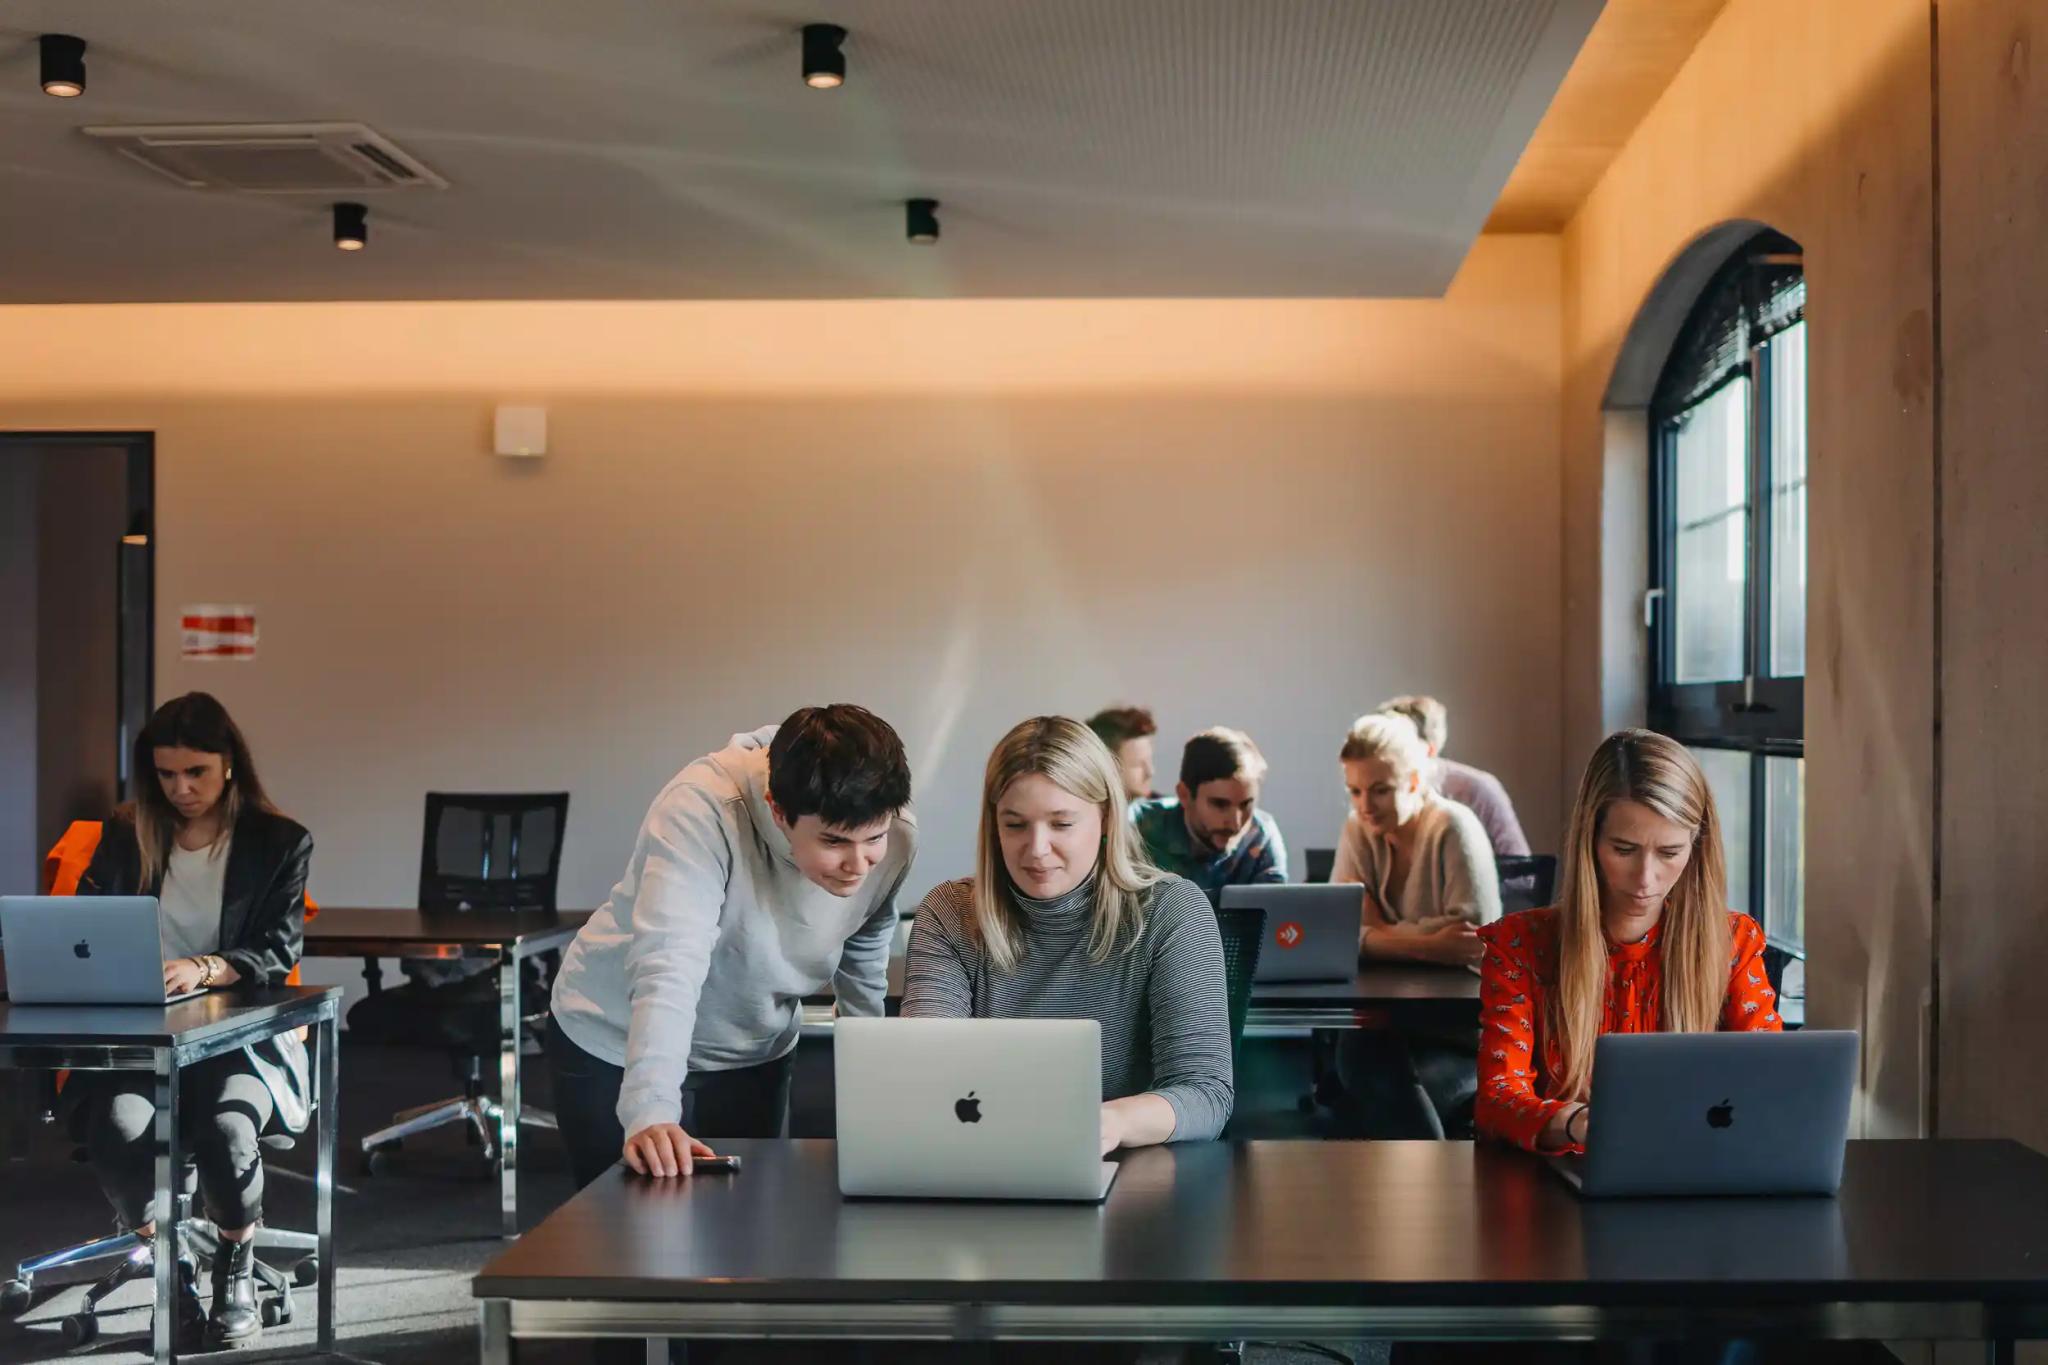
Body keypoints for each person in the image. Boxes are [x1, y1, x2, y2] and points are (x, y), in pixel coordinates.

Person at [546, 705, 916, 1189]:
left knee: (748, 1232)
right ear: (778, 810)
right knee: (627, 1238)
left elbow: (865, 945)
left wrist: (873, 1087)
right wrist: (651, 1108)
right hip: (615, 1038)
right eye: (833, 841)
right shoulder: (701, 808)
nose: (858, 863)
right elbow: (670, 963)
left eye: (874, 839)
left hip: (753, 1044)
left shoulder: (894, 827)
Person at [70, 692, 314, 1350]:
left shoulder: (278, 842)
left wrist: (206, 967)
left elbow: (277, 950)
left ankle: (233, 1268)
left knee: (227, 1127)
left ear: (229, 764)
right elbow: (82, 924)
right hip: (142, 1028)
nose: (180, 789)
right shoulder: (127, 833)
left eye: (196, 772)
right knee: (120, 1128)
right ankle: (173, 1262)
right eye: (166, 773)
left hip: (239, 1031)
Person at [903, 716, 1233, 1152]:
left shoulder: (1172, 911)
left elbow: (1204, 1094)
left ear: (1106, 821)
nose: (1037, 849)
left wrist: (1108, 1123)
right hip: (981, 1159)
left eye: (1061, 824)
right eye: (1015, 824)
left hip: (1129, 1176)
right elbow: (927, 1076)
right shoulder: (950, 914)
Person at [1476, 728, 1780, 1153]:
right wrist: (1579, 1122)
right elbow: (1498, 1098)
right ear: (1591, 839)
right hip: (1564, 1185)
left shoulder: (1733, 942)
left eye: (1670, 852)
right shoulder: (1520, 944)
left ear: (1696, 846)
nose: (1645, 879)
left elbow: (1772, 1078)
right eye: (1624, 849)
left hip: (1697, 1175)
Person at [1332, 711, 1499, 1138]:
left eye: (1380, 790)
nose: (1365, 806)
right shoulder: (1358, 829)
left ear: (1412, 781)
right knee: (1360, 1049)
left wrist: (1377, 934)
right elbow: (1341, 930)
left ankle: (1426, 1179)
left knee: (1363, 1061)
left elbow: (1472, 942)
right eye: (1354, 791)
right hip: (1393, 1012)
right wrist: (1431, 941)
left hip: (1461, 1020)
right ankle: (1432, 1178)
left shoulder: (1454, 826)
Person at [1128, 727, 1288, 904]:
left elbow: (1275, 916)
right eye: (1220, 804)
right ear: (1185, 795)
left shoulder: (1261, 836)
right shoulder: (1139, 826)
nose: (1235, 824)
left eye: (1246, 804)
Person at [1378, 694, 1530, 858]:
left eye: (1398, 750)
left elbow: (1522, 872)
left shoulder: (1478, 790)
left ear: (1429, 750)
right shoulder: (1372, 795)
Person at [1085, 705, 1158, 802]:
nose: (1150, 772)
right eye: (1137, 764)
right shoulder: (1080, 812)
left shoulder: (1171, 812)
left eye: (1149, 760)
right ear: (1108, 766)